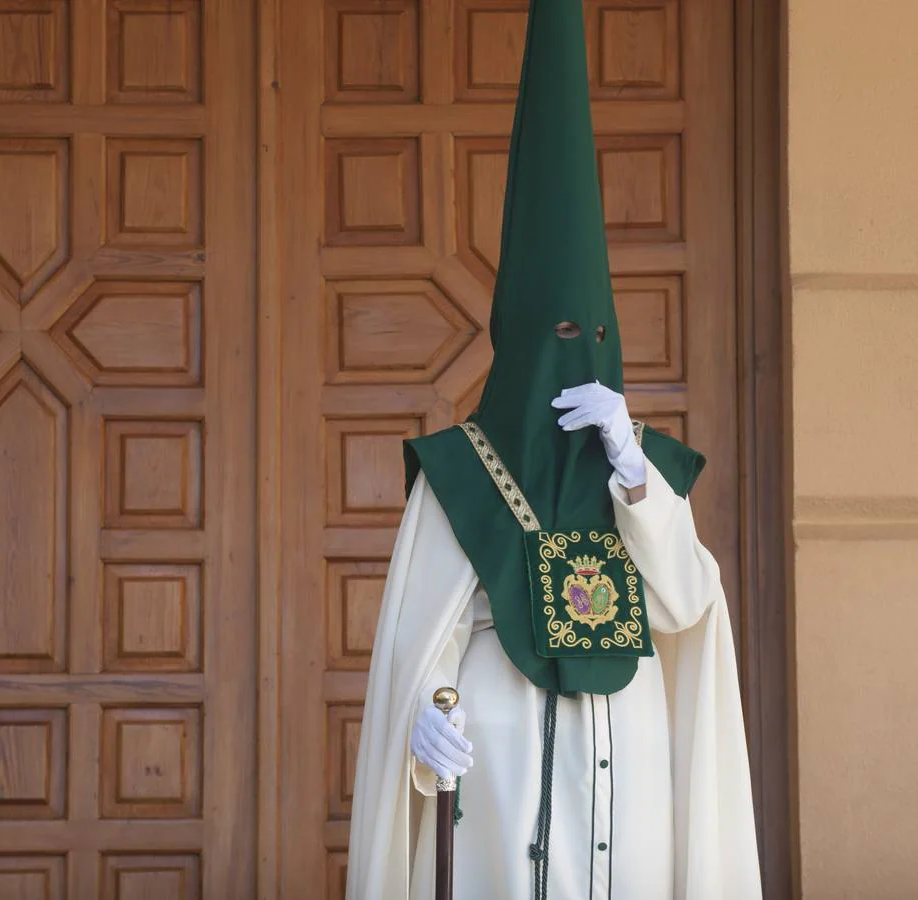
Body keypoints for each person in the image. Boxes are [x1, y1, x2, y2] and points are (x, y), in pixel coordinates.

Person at [344, 1, 764, 898]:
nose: (577, 352)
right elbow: (422, 648)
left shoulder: (640, 465)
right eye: (560, 333)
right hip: (493, 778)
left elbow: (689, 606)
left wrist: (632, 475)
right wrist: (418, 732)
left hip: (632, 767)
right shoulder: (457, 472)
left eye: (596, 336)